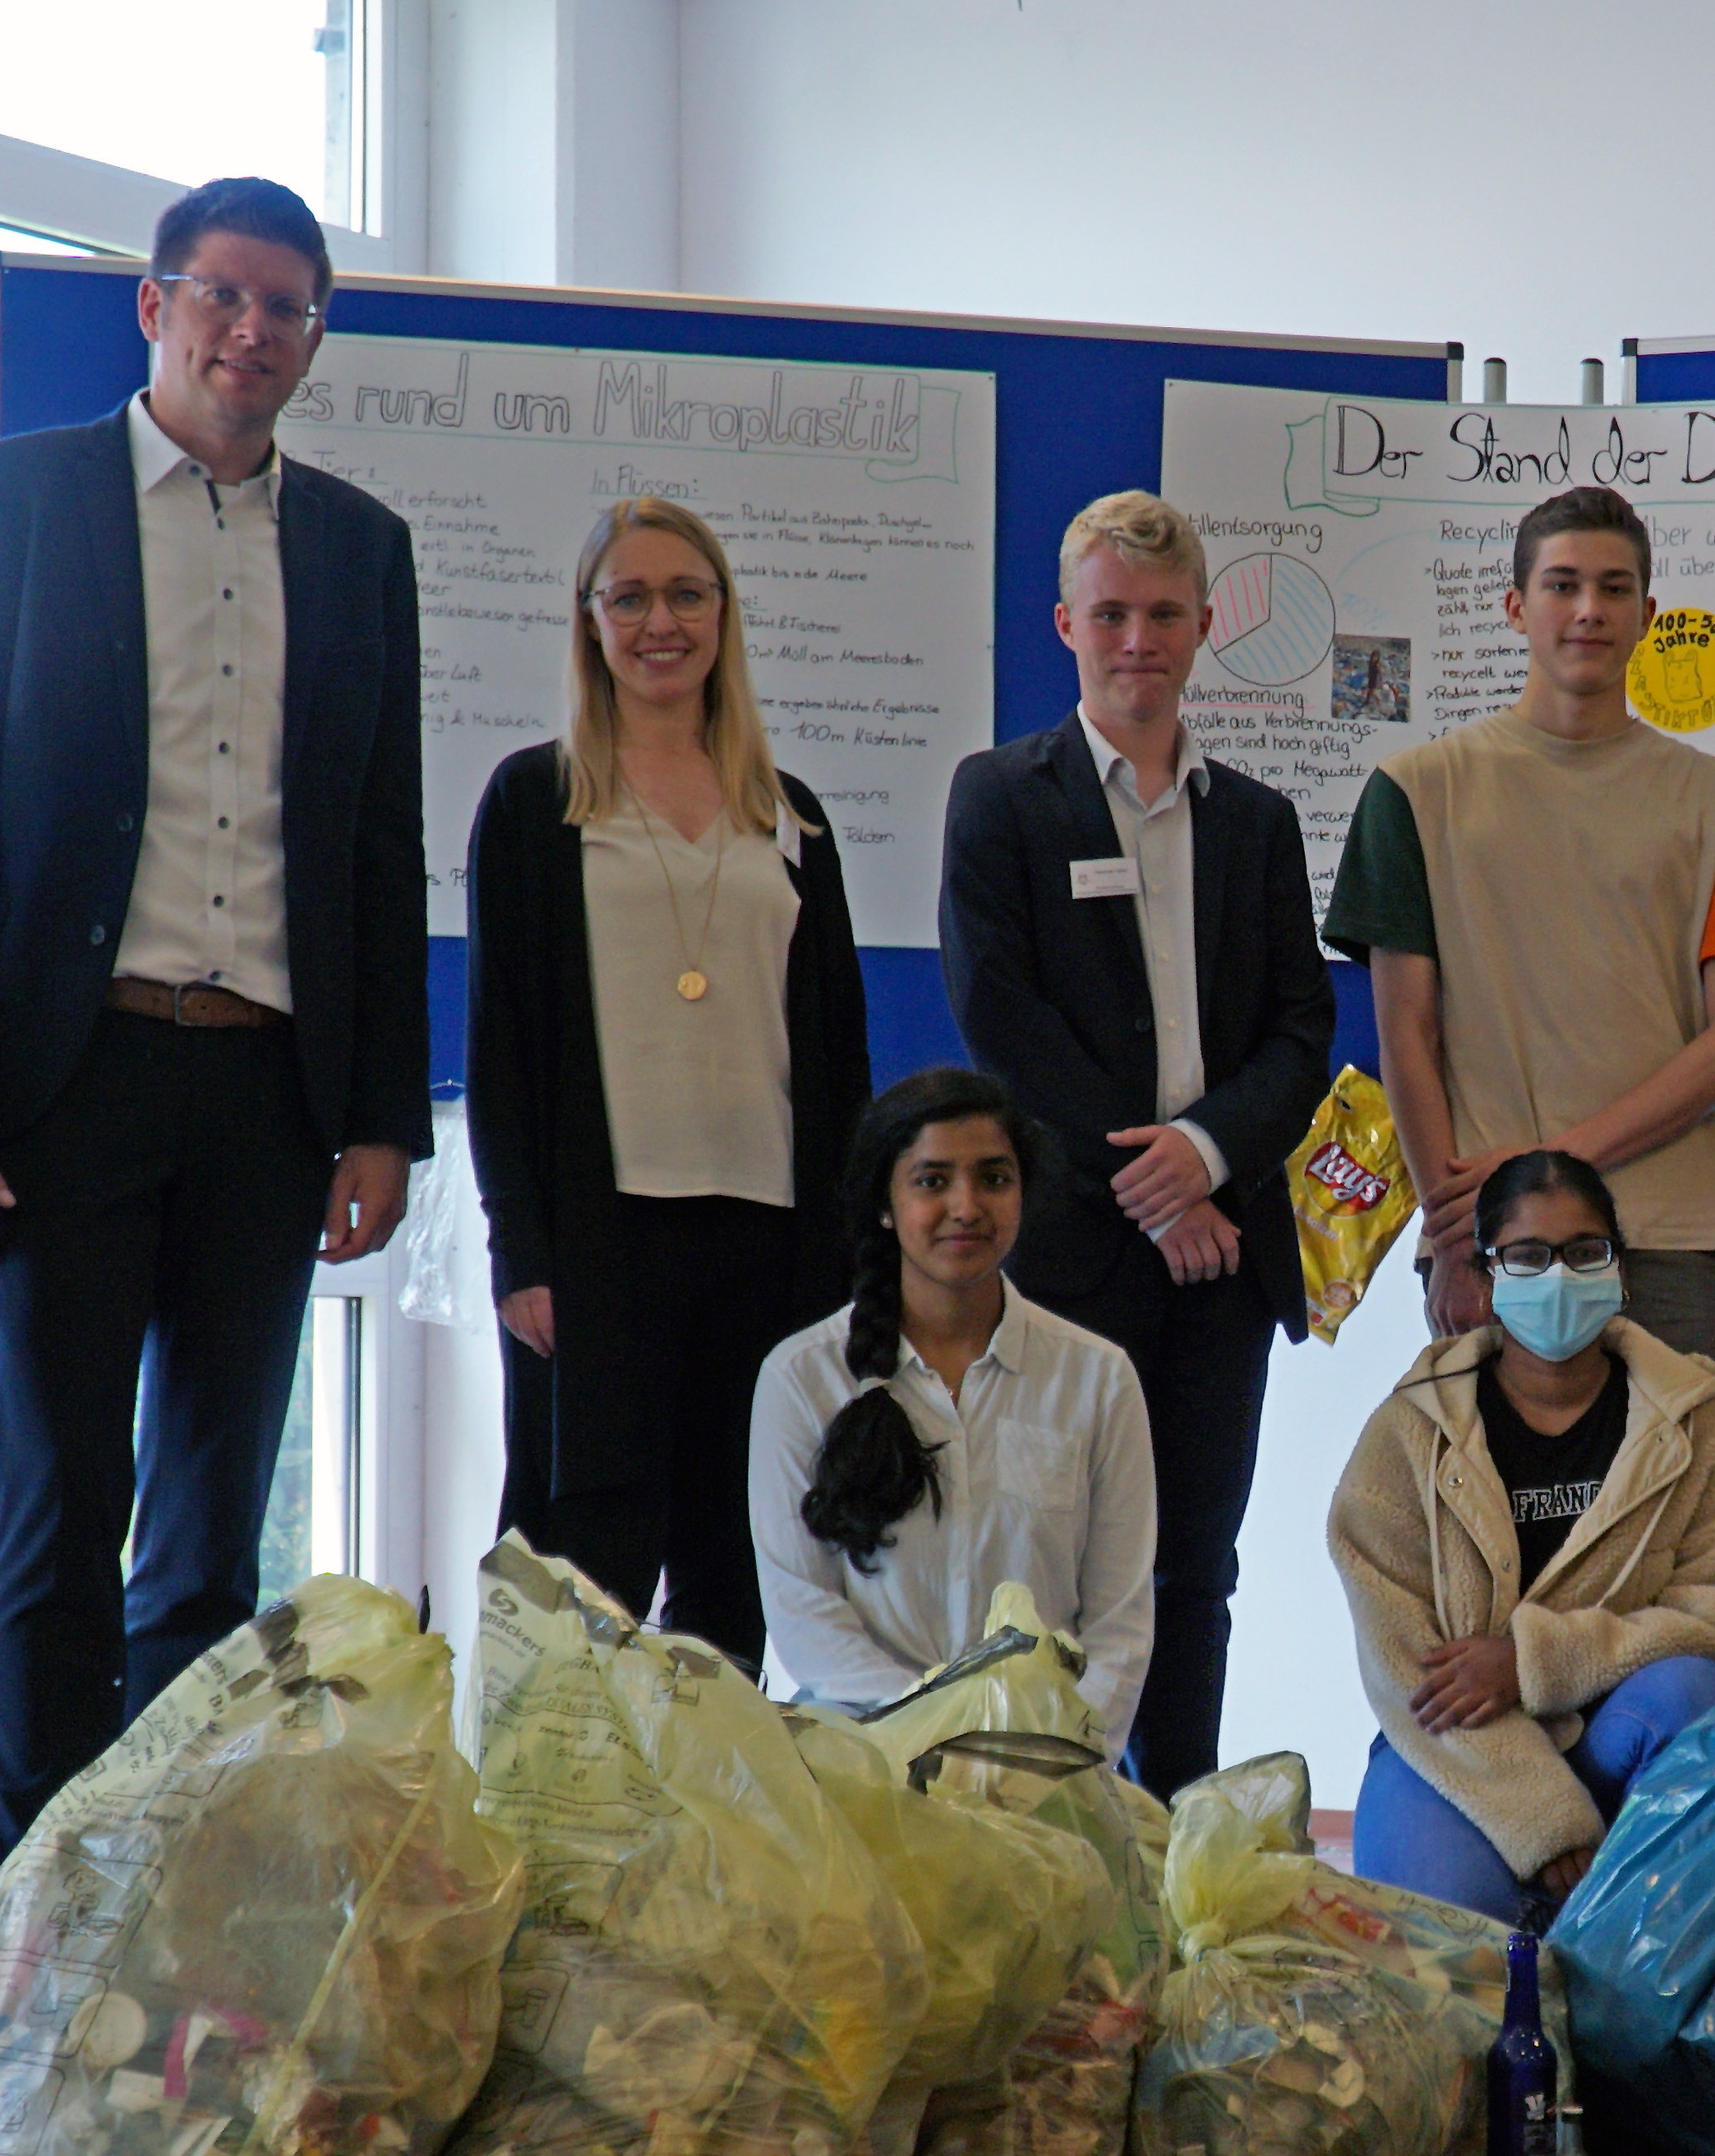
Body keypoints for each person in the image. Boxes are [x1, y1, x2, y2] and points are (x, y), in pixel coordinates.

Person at [0, 175, 428, 1854]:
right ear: (155, 305)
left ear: (315, 339)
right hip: (66, 1081)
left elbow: (380, 842)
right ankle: (44, 1909)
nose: (252, 331)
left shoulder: (360, 546)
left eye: (289, 308)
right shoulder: (16, 503)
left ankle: (164, 1896)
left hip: (269, 1089)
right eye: (223, 295)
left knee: (207, 1543)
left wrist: (382, 1116)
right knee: (57, 1521)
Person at [937, 490, 1335, 1785]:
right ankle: (1047, 1838)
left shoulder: (1258, 822)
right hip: (1073, 1255)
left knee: (1195, 1571)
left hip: (1225, 1257)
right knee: (1049, 1569)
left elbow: (1301, 1029)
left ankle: (1178, 1835)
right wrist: (1156, 1186)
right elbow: (1003, 1017)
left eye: (1165, 615)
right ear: (1067, 625)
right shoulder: (1001, 798)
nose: (1138, 641)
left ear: (1206, 625)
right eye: (1111, 614)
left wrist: (1204, 1157)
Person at [470, 496, 870, 1660]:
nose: (661, 622)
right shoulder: (535, 801)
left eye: (687, 595)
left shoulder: (789, 815)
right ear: (589, 621)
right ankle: (554, 1781)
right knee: (582, 1573)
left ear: (724, 615)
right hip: (598, 1247)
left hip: (770, 1243)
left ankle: (715, 1780)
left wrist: (852, 1269)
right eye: (631, 597)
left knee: (737, 1561)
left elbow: (839, 1057)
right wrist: (521, 1252)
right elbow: (502, 1047)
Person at [1323, 486, 1715, 1373]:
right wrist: (1456, 1239)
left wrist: (1553, 1161)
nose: (1590, 609)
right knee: (1495, 1468)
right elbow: (1407, 1035)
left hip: (1672, 1234)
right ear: (1516, 607)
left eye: (1616, 588)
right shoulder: (1413, 793)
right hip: (1500, 1238)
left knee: (1679, 1468)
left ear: (1648, 614)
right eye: (1563, 585)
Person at [1328, 1152, 1715, 1914]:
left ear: (1621, 1269)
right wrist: (1546, 1820)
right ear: (1485, 1276)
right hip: (1458, 1747)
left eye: (1584, 1252)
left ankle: (1664, 1960)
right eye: (1528, 1256)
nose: (1560, 1277)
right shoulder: (1408, 1431)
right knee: (1452, 1937)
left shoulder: (1702, 1422)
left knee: (1695, 1694)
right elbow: (1404, 1668)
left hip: (1623, 1733)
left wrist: (1532, 1663)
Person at [748, 1070, 1156, 1738]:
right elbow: (806, 1620)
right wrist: (945, 1736)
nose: (966, 1207)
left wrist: (1045, 1756)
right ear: (885, 1203)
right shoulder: (800, 1379)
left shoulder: (1099, 1380)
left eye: (993, 1178)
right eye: (932, 1181)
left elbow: (1120, 1628)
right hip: (864, 1755)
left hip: (1042, 1761)